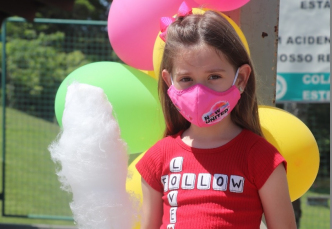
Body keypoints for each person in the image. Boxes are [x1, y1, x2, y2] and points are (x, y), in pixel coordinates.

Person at [136, 2, 297, 229]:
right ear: (168, 81)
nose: (200, 93)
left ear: (241, 78)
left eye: (213, 76)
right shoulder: (157, 159)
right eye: (186, 79)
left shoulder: (262, 159)